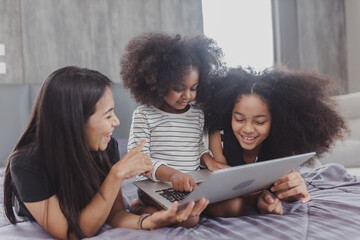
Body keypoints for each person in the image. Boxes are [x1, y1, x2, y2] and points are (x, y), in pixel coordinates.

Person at [3, 66, 208, 239]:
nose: (117, 122)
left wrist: (149, 221)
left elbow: (116, 215)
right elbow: (70, 232)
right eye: (108, 115)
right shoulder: (27, 164)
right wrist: (116, 175)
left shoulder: (106, 148)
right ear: (75, 122)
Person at [120, 33, 234, 222]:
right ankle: (141, 208)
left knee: (234, 207)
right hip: (158, 187)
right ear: (159, 84)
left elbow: (197, 146)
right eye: (179, 88)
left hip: (192, 185)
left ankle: (157, 209)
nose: (187, 96)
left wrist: (208, 160)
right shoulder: (144, 114)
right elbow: (140, 159)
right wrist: (173, 174)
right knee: (189, 220)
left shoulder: (197, 114)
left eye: (193, 88)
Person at [204, 66, 348, 215]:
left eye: (259, 122)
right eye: (239, 119)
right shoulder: (218, 135)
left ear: (276, 121)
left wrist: (293, 189)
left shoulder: (281, 141)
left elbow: (285, 188)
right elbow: (224, 187)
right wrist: (258, 197)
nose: (247, 129)